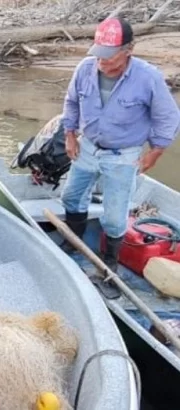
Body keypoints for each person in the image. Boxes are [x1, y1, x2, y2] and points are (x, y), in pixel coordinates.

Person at [60, 17, 180, 274]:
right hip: (88, 146)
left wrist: (156, 152)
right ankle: (74, 242)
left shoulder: (148, 77)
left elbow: (168, 117)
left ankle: (109, 262)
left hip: (123, 155)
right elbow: (71, 103)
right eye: (99, 55)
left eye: (110, 56)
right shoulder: (84, 69)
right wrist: (69, 134)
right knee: (70, 196)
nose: (103, 62)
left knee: (115, 217)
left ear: (129, 51)